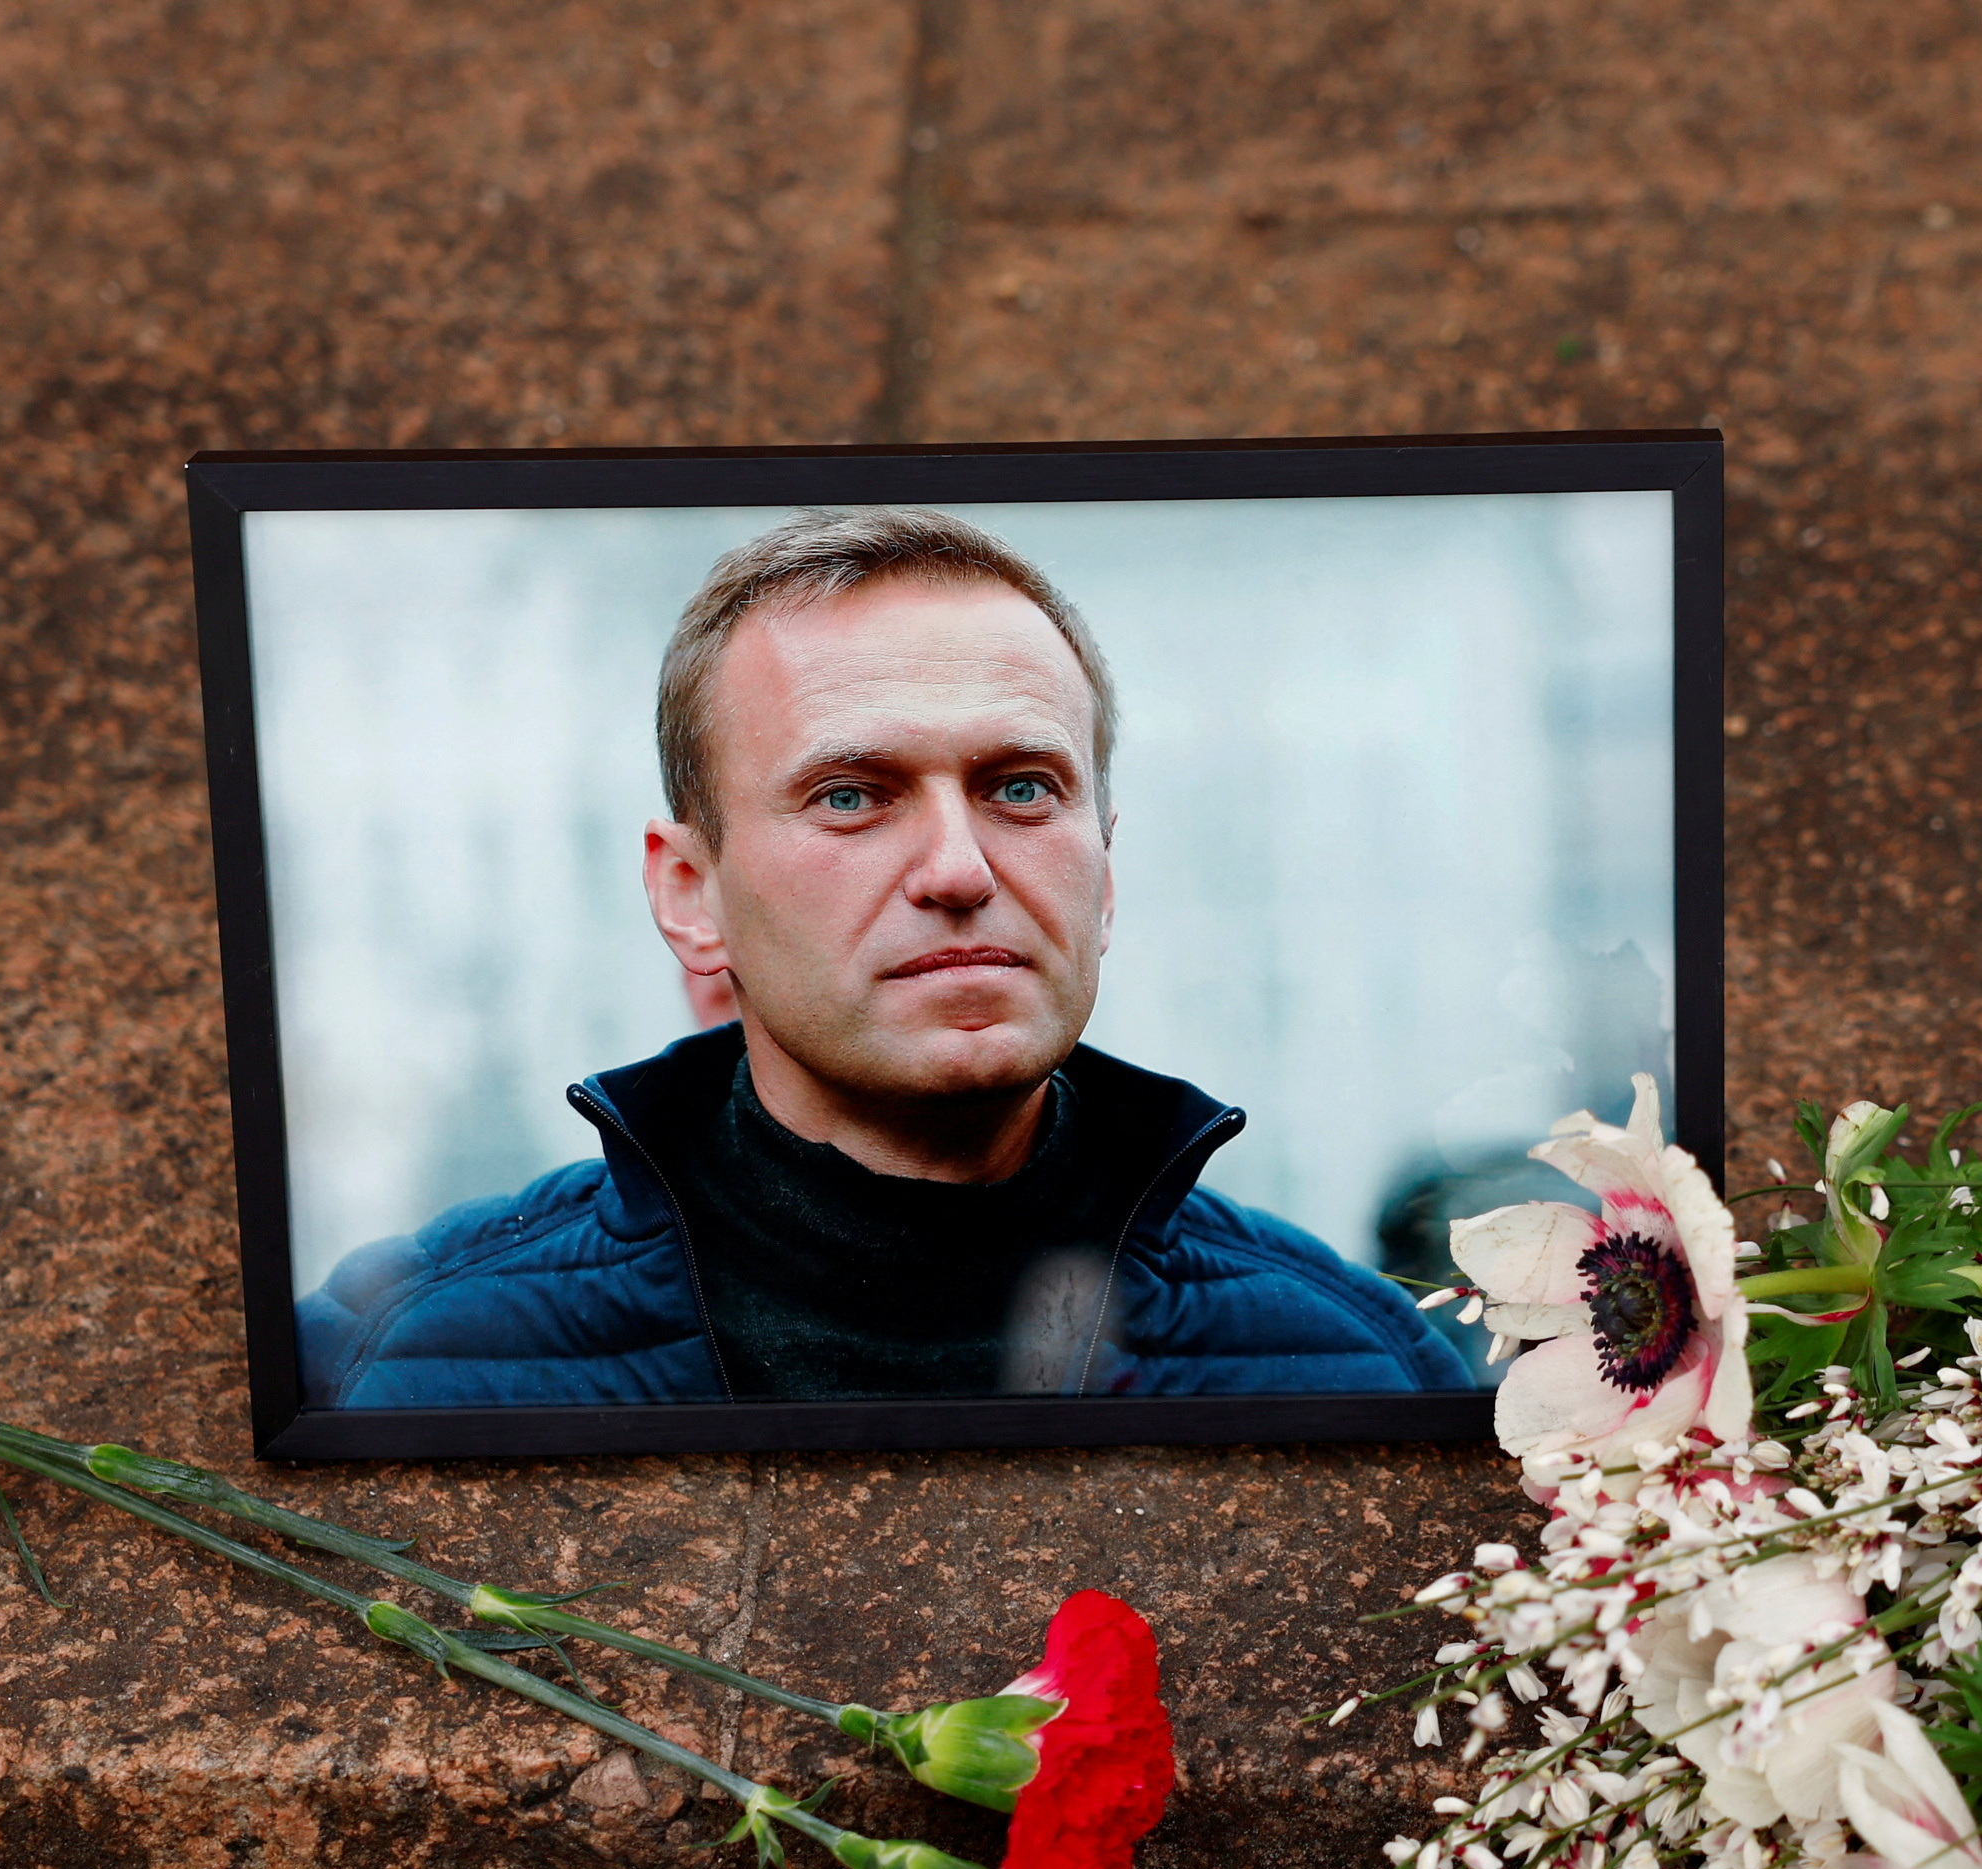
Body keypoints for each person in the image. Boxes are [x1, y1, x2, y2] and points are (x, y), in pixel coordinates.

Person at [298, 507, 1470, 1407]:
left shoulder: (1361, 1359)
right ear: (690, 895)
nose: (958, 868)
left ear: (1104, 872)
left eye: (1021, 787)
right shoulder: (409, 1354)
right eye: (853, 795)